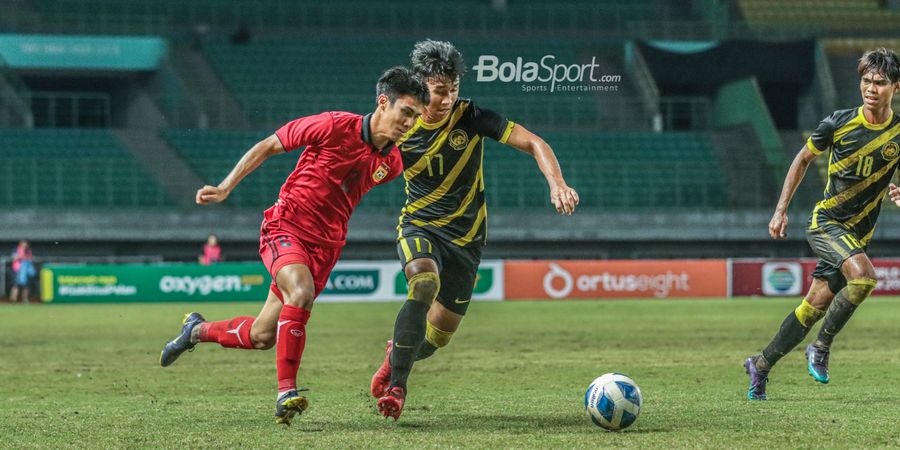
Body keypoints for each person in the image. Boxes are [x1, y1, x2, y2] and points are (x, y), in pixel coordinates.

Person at [159, 66, 429, 425]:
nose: (409, 123)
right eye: (406, 113)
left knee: (261, 335)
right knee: (299, 292)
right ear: (383, 103)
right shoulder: (333, 125)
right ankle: (286, 392)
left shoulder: (392, 164)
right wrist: (225, 187)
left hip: (325, 247)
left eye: (416, 117)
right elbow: (269, 145)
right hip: (285, 226)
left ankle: (195, 330)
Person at [370, 40, 580, 420]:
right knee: (423, 283)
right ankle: (398, 387)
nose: (448, 98)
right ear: (420, 87)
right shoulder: (402, 126)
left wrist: (557, 184)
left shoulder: (472, 117)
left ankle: (395, 356)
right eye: (439, 91)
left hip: (467, 240)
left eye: (454, 89)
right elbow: (361, 163)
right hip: (420, 225)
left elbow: (535, 142)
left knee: (436, 339)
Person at [744, 48, 900, 400]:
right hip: (826, 222)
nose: (871, 88)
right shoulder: (838, 123)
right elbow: (802, 160)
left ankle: (761, 364)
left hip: (858, 234)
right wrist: (780, 210)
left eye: (880, 82)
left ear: (896, 87)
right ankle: (821, 347)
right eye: (865, 81)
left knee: (812, 307)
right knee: (863, 278)